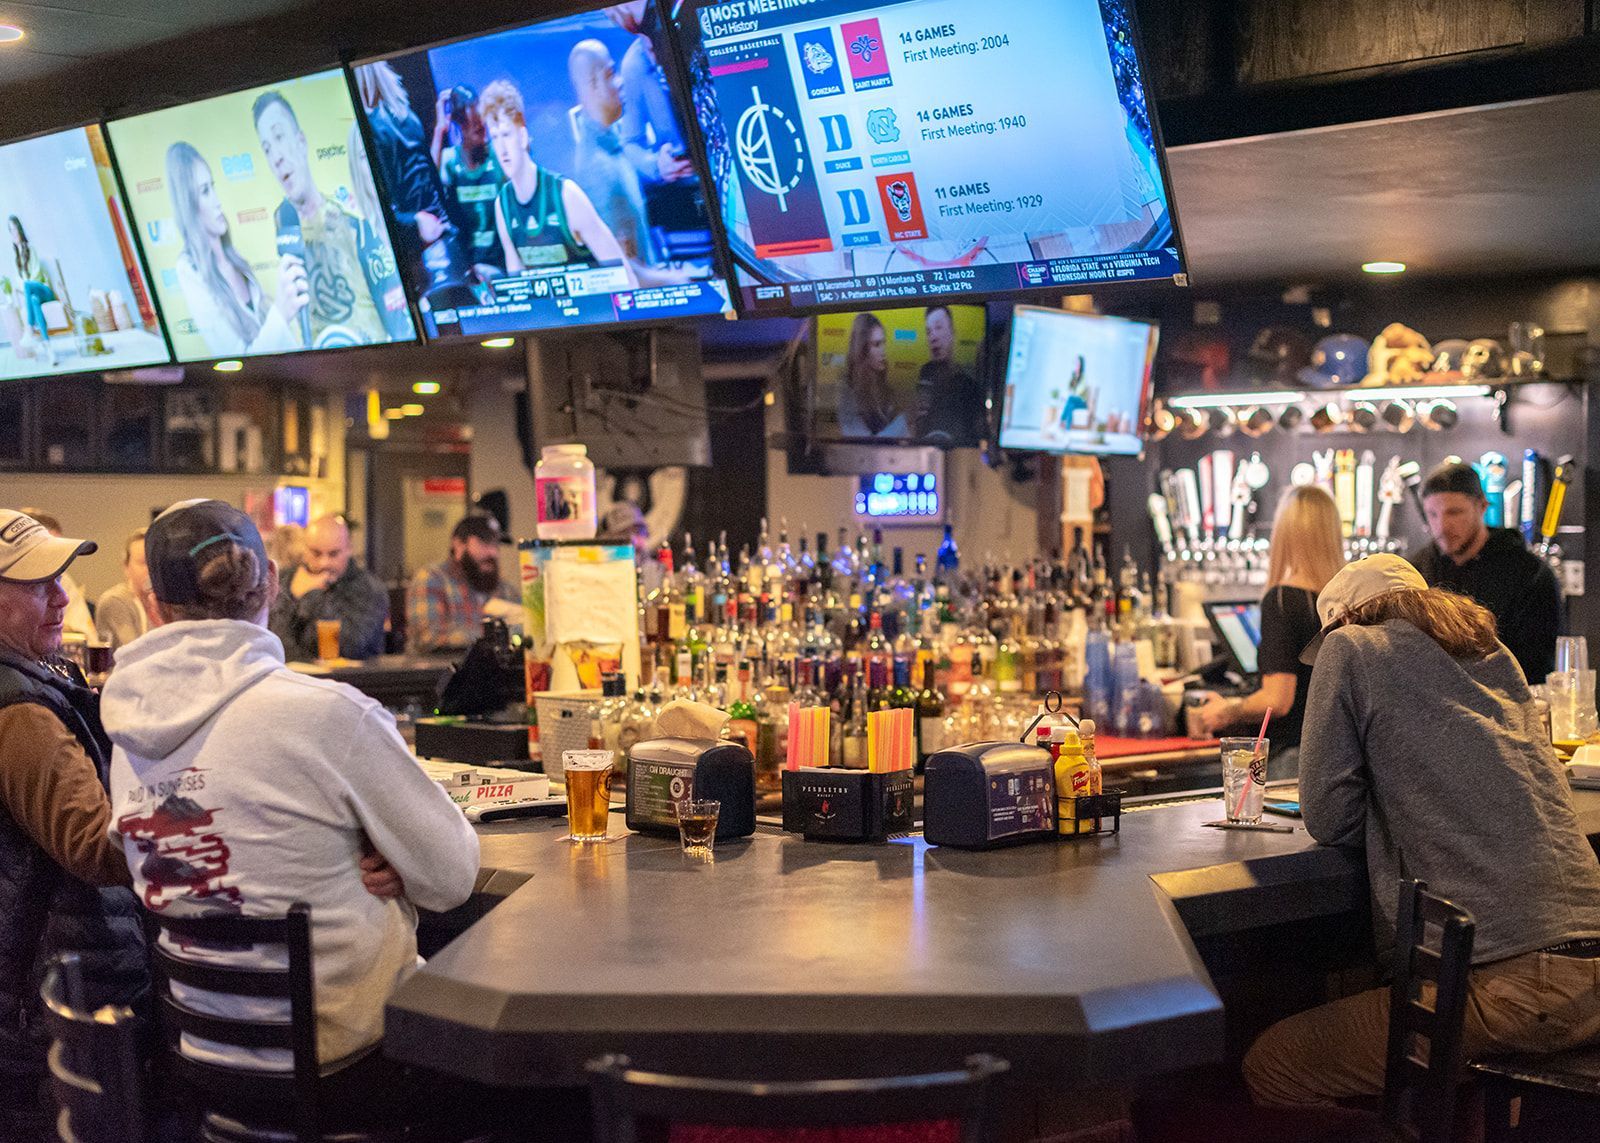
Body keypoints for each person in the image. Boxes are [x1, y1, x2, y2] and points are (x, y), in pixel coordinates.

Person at [102, 500, 478, 1075]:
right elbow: (453, 876)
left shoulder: (125, 741)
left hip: (203, 1068)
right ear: (272, 583)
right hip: (353, 1066)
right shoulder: (331, 716)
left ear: (154, 607)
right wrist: (402, 860)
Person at [1243, 554, 1600, 1108]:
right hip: (1589, 969)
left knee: (1273, 1063)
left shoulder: (1350, 646)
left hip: (1514, 986)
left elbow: (1328, 812)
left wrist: (1392, 804)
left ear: (1344, 619)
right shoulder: (1491, 651)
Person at [0, 509, 145, 1141]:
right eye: (38, 585)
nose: (62, 597)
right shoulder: (21, 715)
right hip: (49, 1002)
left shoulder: (28, 684)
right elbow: (97, 848)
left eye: (60, 578)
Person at [1197, 486, 1343, 776]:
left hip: (1291, 760)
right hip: (1337, 759)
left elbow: (1277, 700)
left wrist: (1227, 710)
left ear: (1285, 535)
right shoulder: (1346, 600)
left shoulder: (1283, 600)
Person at [253, 90, 388, 348]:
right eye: (267, 149)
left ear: (301, 142)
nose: (277, 157)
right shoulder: (281, 239)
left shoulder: (355, 223)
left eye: (280, 137)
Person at [1410, 461, 1560, 684]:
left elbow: (1536, 668)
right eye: (1432, 514)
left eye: (1454, 512)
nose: (1441, 526)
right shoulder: (1415, 571)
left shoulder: (1529, 574)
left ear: (1482, 506)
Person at [480, 79, 636, 286]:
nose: (502, 148)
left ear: (523, 136)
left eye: (506, 134)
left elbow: (626, 277)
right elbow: (518, 291)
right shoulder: (503, 205)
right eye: (495, 137)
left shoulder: (566, 195)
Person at [164, 141, 307, 358]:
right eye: (204, 192)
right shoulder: (189, 270)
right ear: (188, 204)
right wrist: (281, 313)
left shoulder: (233, 258)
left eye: (212, 187)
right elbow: (238, 358)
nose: (217, 201)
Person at [568, 39, 686, 287]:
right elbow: (619, 271)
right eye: (610, 74)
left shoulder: (615, 142)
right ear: (592, 86)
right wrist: (685, 283)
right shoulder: (596, 168)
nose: (620, 81)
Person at [353, 61, 467, 303]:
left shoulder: (370, 129)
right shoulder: (408, 117)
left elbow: (390, 208)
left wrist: (414, 223)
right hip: (446, 242)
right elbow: (431, 182)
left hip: (422, 255)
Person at [268, 514, 389, 661]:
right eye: (316, 553)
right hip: (292, 679)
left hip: (354, 682)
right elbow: (273, 643)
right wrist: (292, 598)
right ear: (305, 549)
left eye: (333, 554)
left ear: (349, 549)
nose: (324, 563)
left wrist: (311, 593)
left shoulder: (370, 589)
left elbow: (351, 647)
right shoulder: (285, 580)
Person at [605, 2, 695, 186]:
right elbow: (630, 143)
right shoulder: (634, 65)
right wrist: (657, 165)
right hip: (688, 186)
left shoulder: (694, 33)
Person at [406, 514, 520, 653]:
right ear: (459, 544)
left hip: (488, 672)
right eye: (484, 543)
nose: (493, 552)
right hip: (443, 671)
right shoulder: (432, 578)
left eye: (496, 544)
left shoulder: (503, 588)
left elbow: (526, 630)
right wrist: (490, 633)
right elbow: (427, 637)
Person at [429, 84, 506, 279]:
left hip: (501, 265)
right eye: (471, 125)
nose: (479, 126)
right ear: (459, 123)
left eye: (481, 123)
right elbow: (427, 186)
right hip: (467, 270)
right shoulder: (449, 160)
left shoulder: (498, 155)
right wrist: (440, 130)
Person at [346, 124, 413, 342]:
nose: (375, 163)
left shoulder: (413, 216)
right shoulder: (358, 236)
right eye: (365, 156)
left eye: (378, 151)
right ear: (357, 166)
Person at [912, 305, 984, 443]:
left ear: (952, 332)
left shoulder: (969, 385)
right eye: (928, 332)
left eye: (938, 328)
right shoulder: (925, 375)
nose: (933, 337)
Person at [20, 510, 94, 639]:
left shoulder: (64, 579)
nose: (63, 599)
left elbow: (87, 637)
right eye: (49, 550)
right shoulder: (16, 579)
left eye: (60, 552)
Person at [837, 312, 905, 438]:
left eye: (884, 343)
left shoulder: (884, 388)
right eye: (877, 344)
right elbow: (860, 440)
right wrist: (904, 421)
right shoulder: (847, 392)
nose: (883, 351)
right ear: (862, 349)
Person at [95, 527, 157, 652]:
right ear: (126, 567)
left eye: (154, 561)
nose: (150, 569)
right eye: (143, 562)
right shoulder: (114, 601)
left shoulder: (160, 599)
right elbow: (135, 652)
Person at [8, 216, 58, 366]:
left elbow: (35, 276)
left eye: (15, 229)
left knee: (29, 286)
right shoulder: (16, 257)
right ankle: (50, 349)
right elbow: (17, 281)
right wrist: (23, 284)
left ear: (20, 230)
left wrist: (24, 284)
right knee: (34, 301)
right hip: (35, 295)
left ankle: (28, 329)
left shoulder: (30, 249)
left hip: (45, 291)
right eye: (10, 231)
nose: (14, 233)